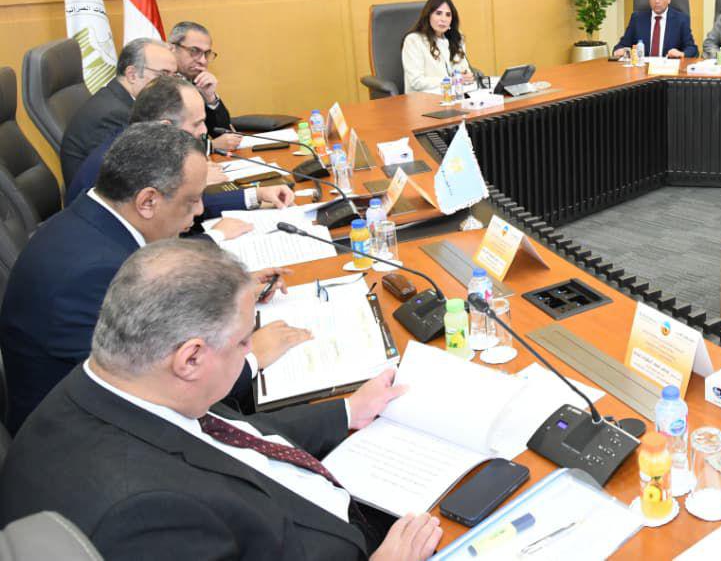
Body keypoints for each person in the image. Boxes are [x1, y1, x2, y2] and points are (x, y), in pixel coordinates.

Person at [0, 240, 444, 561]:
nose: (252, 351)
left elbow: (240, 438)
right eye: (244, 341)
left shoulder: (120, 381)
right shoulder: (145, 518)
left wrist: (348, 411)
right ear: (191, 358)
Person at [0, 124, 302, 432]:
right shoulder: (91, 274)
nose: (199, 209)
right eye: (191, 200)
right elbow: (152, 389)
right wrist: (251, 358)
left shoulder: (95, 222)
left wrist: (229, 297)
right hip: (85, 437)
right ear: (147, 202)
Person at [65, 76, 294, 229]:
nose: (204, 131)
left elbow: (183, 204)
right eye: (197, 124)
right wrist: (216, 237)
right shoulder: (129, 166)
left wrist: (256, 195)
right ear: (165, 127)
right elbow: (152, 248)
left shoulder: (143, 144)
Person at [60, 37, 176, 185]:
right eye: (164, 75)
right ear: (132, 75)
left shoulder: (126, 100)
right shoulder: (114, 116)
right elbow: (130, 175)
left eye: (174, 76)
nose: (172, 85)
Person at [170, 21, 240, 151]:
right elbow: (164, 145)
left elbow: (224, 135)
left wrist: (210, 98)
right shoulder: (158, 85)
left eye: (206, 54)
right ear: (172, 49)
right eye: (194, 51)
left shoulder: (195, 82)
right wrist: (210, 146)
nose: (203, 61)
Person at [401, 0, 476, 94]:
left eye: (448, 15)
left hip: (453, 95)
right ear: (428, 15)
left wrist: (466, 77)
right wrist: (451, 80)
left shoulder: (456, 38)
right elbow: (416, 82)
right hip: (423, 98)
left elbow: (463, 71)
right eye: (438, 13)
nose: (443, 19)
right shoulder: (413, 40)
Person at [613, 0, 697, 58]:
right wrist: (620, 51)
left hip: (668, 67)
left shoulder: (681, 20)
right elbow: (622, 45)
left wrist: (681, 54)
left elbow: (692, 48)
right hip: (642, 67)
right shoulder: (637, 19)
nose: (657, 1)